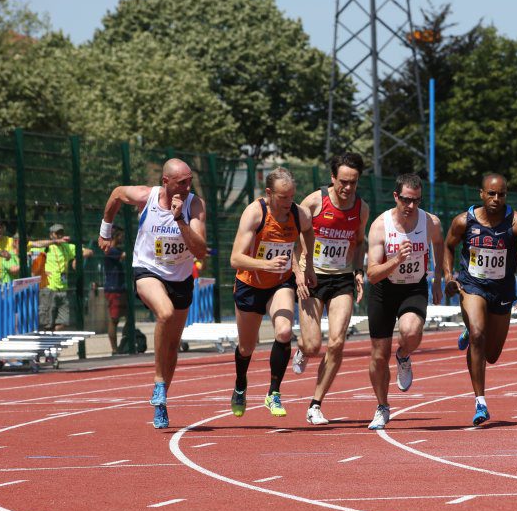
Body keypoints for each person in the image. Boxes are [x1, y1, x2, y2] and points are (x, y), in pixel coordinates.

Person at [98, 158, 208, 429]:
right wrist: (105, 230)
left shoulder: (194, 205)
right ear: (166, 182)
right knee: (165, 312)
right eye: (181, 182)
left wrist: (180, 219)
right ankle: (159, 382)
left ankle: (161, 401)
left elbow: (200, 251)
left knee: (172, 346)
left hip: (180, 278)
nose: (186, 186)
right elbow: (116, 194)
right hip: (148, 270)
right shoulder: (145, 197)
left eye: (189, 180)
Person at [443, 173, 517, 426]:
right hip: (472, 285)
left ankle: (470, 329)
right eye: (491, 194)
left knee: (492, 355)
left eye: (501, 194)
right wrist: (449, 276)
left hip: (502, 291)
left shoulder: (516, 223)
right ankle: (480, 401)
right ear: (481, 194)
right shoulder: (464, 221)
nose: (496, 199)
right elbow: (448, 247)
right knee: (478, 334)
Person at [228, 168, 316, 421]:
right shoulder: (255, 213)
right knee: (246, 347)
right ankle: (240, 385)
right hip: (250, 284)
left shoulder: (298, 214)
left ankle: (273, 392)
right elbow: (235, 258)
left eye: (291, 197)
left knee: (284, 331)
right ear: (269, 194)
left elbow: (308, 231)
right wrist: (265, 265)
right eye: (283, 198)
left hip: (280, 283)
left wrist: (306, 263)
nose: (289, 203)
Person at [292, 152, 370, 425]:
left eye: (354, 183)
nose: (348, 188)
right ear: (333, 178)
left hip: (342, 278)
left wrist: (358, 271)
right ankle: (302, 347)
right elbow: (290, 239)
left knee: (337, 342)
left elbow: (359, 242)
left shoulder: (361, 208)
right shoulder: (313, 202)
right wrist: (299, 272)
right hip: (312, 278)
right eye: (343, 182)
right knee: (314, 345)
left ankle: (315, 403)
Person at [365, 173, 444, 430]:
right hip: (384, 290)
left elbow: (439, 244)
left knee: (411, 331)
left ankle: (404, 355)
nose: (411, 206)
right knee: (378, 355)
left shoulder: (430, 222)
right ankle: (382, 406)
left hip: (414, 286)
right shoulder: (380, 226)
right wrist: (396, 260)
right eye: (407, 200)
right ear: (396, 197)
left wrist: (438, 278)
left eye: (417, 201)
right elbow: (372, 274)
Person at [29, 223, 93, 331]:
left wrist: (77, 258)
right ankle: (46, 342)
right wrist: (54, 242)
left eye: (61, 233)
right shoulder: (46, 247)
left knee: (63, 322)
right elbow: (31, 245)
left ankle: (51, 338)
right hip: (48, 288)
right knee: (46, 323)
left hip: (63, 288)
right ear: (51, 235)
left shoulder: (67, 247)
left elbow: (89, 252)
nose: (60, 235)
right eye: (57, 233)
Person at [101, 226, 127, 355]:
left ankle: (126, 342)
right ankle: (114, 349)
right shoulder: (110, 250)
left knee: (128, 315)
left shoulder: (117, 250)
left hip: (122, 288)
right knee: (114, 318)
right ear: (116, 236)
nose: (122, 238)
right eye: (121, 236)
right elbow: (124, 255)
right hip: (113, 288)